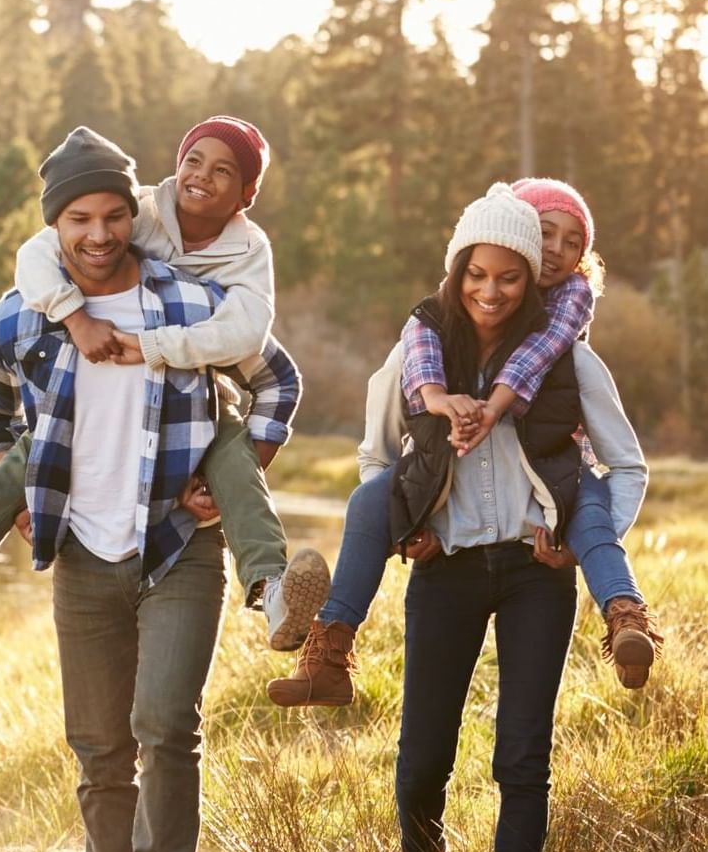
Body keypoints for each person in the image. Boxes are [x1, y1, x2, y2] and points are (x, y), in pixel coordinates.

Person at [0, 127, 302, 852]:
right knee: (98, 750)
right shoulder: (33, 305)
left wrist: (241, 461)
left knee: (164, 728)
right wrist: (7, 466)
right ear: (55, 229)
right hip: (83, 555)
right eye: (77, 220)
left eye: (110, 217)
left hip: (177, 544)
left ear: (129, 222)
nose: (98, 234)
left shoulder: (186, 301)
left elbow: (275, 375)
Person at [0, 119, 327, 654]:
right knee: (28, 456)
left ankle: (273, 591)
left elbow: (254, 339)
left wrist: (223, 469)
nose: (201, 176)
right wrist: (73, 318)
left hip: (199, 400)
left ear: (247, 195)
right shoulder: (136, 211)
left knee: (231, 453)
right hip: (88, 403)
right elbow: (37, 256)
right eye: (194, 160)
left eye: (223, 170)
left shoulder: (247, 253)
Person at [349, 186, 646, 852]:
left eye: (511, 275)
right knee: (421, 753)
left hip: (532, 574)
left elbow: (627, 467)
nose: (493, 289)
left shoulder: (569, 360)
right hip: (444, 569)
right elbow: (373, 457)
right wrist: (405, 526)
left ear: (527, 278)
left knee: (521, 755)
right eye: (479, 274)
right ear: (460, 271)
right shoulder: (419, 353)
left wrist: (577, 540)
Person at [268, 177, 661, 709]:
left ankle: (625, 614)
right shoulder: (431, 326)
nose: (558, 252)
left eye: (573, 243)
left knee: (590, 510)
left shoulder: (566, 321)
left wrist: (493, 407)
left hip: (553, 483)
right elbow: (392, 413)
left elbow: (541, 359)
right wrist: (410, 517)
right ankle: (330, 649)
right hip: (446, 523)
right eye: (546, 234)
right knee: (368, 500)